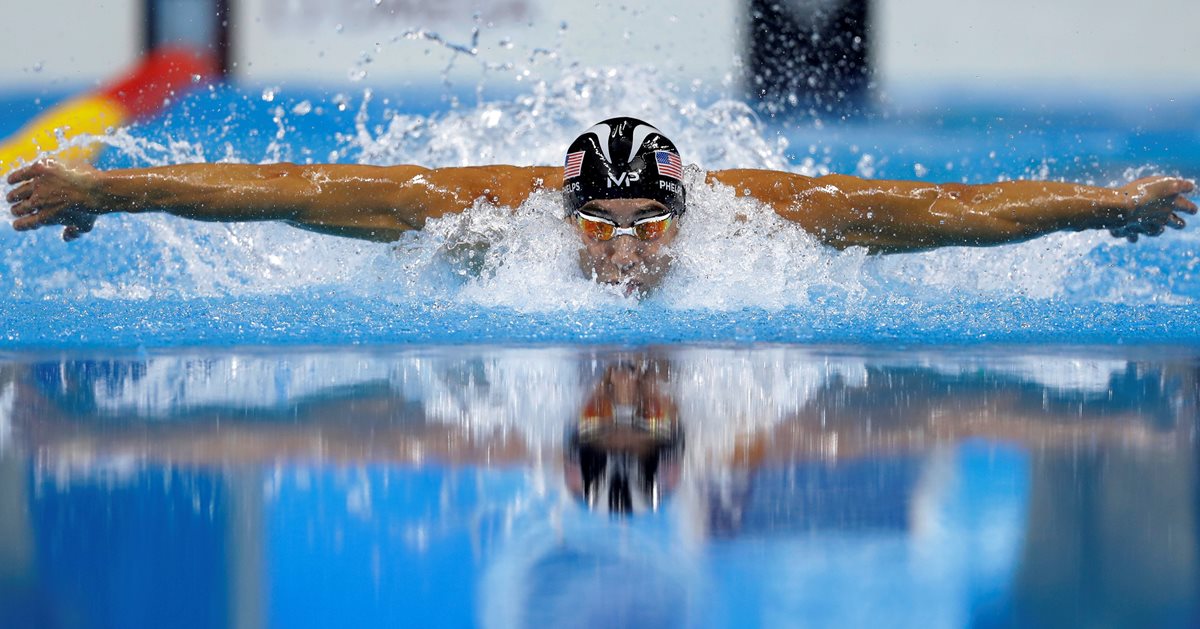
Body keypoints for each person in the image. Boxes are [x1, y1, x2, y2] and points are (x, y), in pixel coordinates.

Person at [5, 116, 1196, 294]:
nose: (624, 252)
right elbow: (281, 190)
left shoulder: (763, 219)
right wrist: (108, 183)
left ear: (686, 215)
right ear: (566, 207)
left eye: (648, 226)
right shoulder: (483, 209)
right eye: (602, 224)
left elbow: (965, 210)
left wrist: (1112, 204)